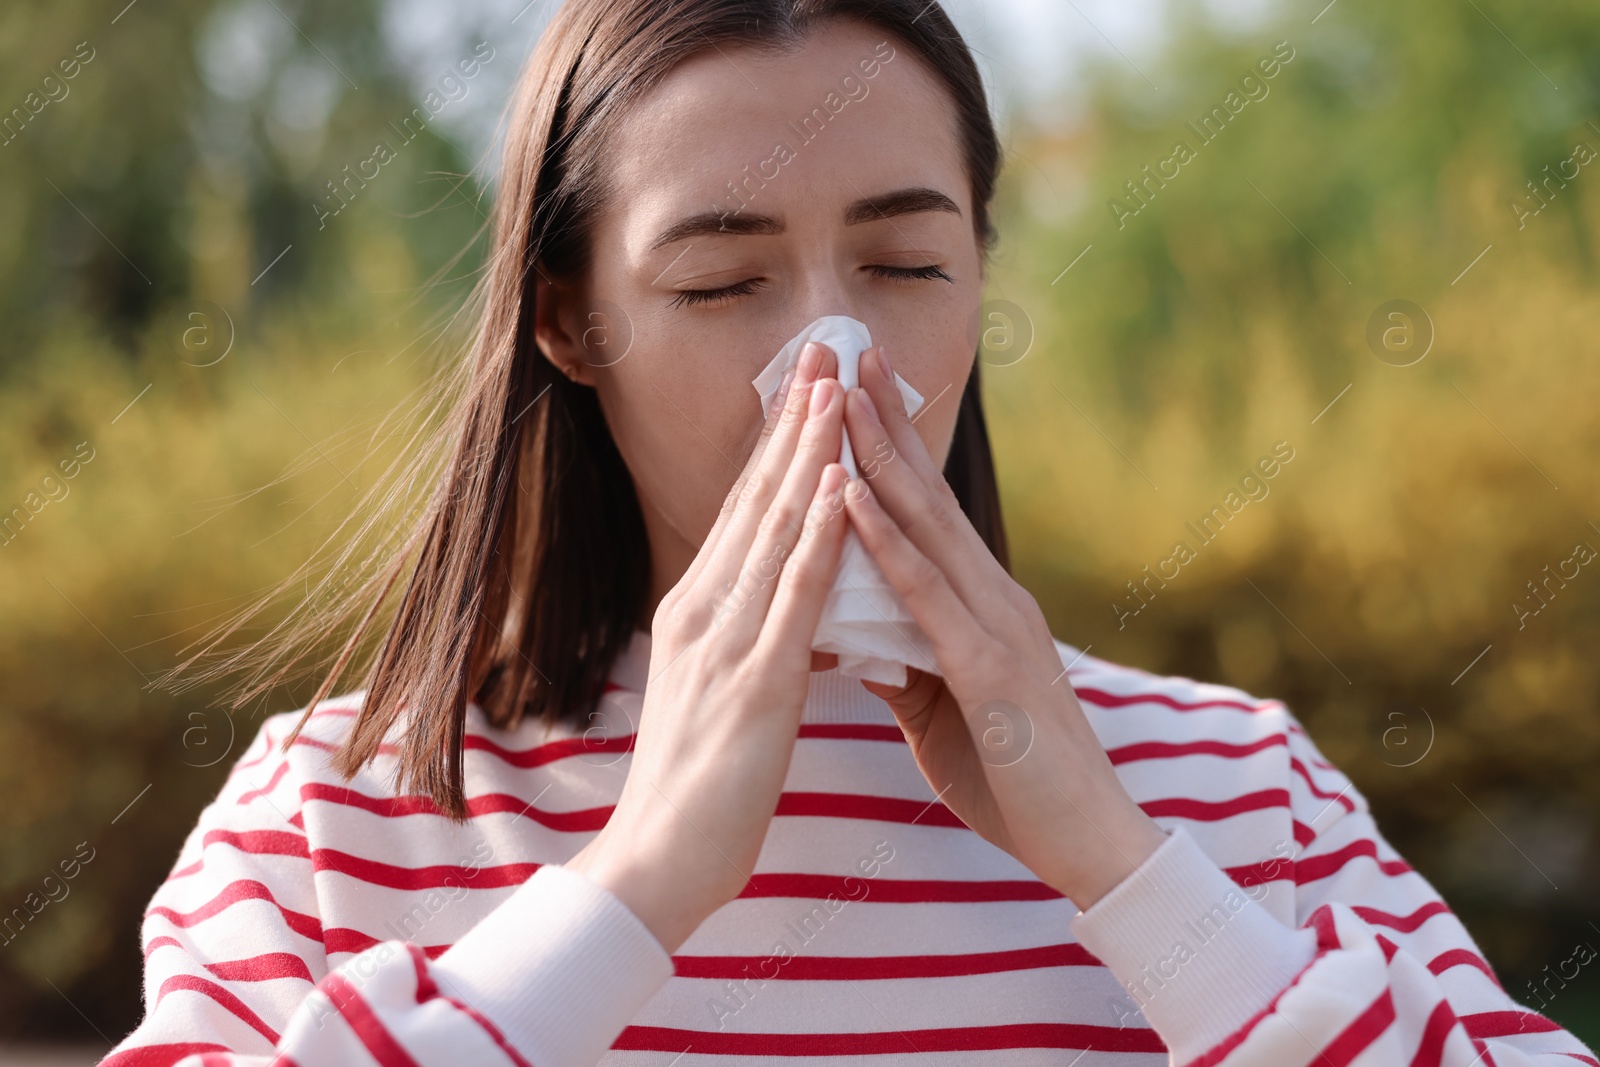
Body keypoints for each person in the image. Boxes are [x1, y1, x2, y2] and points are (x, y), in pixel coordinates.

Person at [102, 1, 1597, 1064]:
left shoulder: (1239, 790)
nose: (833, 364)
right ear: (568, 322)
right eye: (716, 284)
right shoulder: (337, 812)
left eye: (904, 262)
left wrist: (1124, 868)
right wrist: (637, 888)